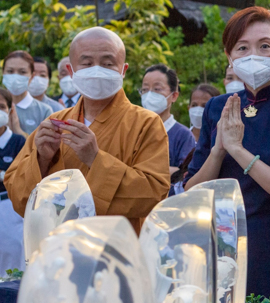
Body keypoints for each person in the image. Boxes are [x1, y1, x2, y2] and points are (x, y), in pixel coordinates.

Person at [185, 6, 270, 303]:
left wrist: (239, 150)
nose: (254, 55)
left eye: (264, 46)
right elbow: (191, 192)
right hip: (223, 249)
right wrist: (219, 151)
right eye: (243, 47)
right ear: (230, 57)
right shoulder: (217, 107)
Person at [5, 27, 170, 233]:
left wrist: (95, 159)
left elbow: (154, 193)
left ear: (123, 70)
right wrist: (42, 160)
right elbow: (16, 192)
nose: (97, 70)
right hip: (58, 249)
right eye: (87, 63)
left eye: (108, 64)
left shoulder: (146, 123)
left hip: (116, 252)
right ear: (71, 69)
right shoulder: (54, 123)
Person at [140, 64, 195, 187]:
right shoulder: (134, 130)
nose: (149, 95)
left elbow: (186, 174)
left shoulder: (183, 135)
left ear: (174, 96)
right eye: (145, 89)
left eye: (157, 89)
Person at [0, 88, 26, 272]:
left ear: (10, 110)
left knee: (11, 267)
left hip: (9, 207)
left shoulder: (18, 142)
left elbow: (23, 177)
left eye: (1, 106)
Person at [2, 51, 53, 136]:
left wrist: (19, 132)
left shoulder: (44, 111)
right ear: (3, 73)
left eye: (22, 72)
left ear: (32, 76)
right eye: (10, 71)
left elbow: (45, 147)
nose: (16, 77)